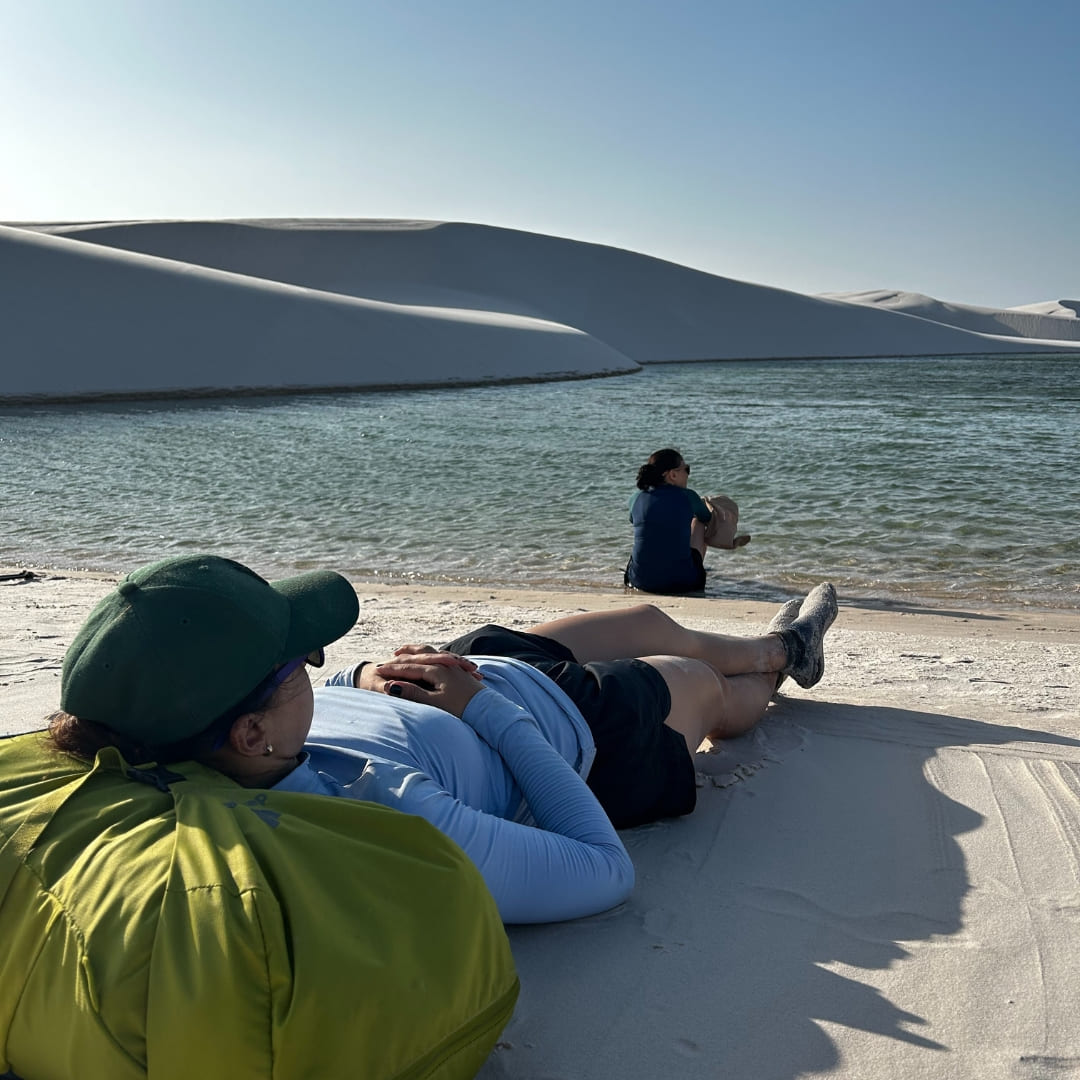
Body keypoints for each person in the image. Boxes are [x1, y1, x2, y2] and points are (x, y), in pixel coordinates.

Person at [47, 554, 838, 924]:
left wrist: (357, 676)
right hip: (577, 731)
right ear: (252, 732)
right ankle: (778, 663)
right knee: (699, 685)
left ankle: (782, 648)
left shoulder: (205, 738)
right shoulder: (380, 813)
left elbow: (314, 710)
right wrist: (487, 712)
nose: (315, 659)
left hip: (466, 671)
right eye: (298, 659)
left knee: (648, 620)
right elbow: (603, 872)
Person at [625, 448, 715, 594]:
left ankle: (655, 569)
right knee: (698, 522)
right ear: (673, 474)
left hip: (640, 581)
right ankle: (692, 568)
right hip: (684, 582)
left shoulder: (636, 497)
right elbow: (707, 518)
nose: (687, 475)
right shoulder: (689, 496)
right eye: (686, 469)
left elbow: (633, 519)